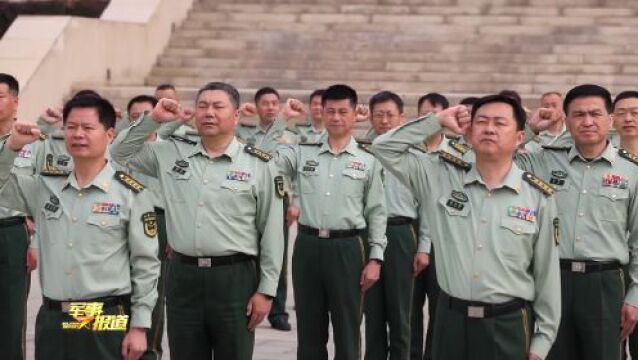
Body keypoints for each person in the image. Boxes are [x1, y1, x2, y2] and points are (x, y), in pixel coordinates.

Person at [371, 95, 561, 360]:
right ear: (469, 134)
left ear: (520, 137)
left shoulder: (539, 197)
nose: (490, 129)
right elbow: (383, 148)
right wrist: (436, 121)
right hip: (450, 321)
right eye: (481, 122)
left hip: (508, 324)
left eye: (499, 123)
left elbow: (547, 274)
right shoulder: (440, 176)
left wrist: (542, 342)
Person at [110, 81, 284, 359]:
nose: (209, 113)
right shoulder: (170, 153)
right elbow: (118, 152)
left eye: (218, 107)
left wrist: (267, 291)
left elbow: (272, 232)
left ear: (236, 115)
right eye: (202, 106)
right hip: (183, 276)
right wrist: (153, 120)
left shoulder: (260, 165)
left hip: (234, 278)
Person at [0, 94, 160, 360]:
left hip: (103, 317)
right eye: (71, 127)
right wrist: (11, 148)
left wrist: (139, 326)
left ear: (109, 135)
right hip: (53, 317)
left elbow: (146, 264)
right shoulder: (45, 186)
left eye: (88, 128)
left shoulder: (130, 193)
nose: (78, 134)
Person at [515, 84, 638, 360]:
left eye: (595, 114)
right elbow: (493, 160)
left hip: (605, 282)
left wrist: (635, 297)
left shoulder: (631, 171)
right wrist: (529, 129)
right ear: (566, 120)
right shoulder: (544, 159)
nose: (587, 121)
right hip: (553, 278)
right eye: (578, 115)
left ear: (610, 119)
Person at [273, 84, 387, 359]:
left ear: (354, 115)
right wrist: (281, 119)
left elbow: (377, 211)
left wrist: (375, 258)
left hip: (347, 248)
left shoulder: (368, 159)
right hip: (308, 247)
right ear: (321, 113)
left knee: (347, 330)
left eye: (343, 112)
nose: (336, 117)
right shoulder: (303, 152)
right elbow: (262, 157)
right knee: (309, 332)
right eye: (331, 111)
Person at [362, 91, 428, 360]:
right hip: (367, 235)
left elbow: (428, 206)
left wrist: (424, 246)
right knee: (372, 310)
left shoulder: (416, 156)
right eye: (379, 115)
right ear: (370, 117)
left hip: (401, 234)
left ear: (402, 118)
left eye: (390, 115)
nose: (385, 121)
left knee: (403, 311)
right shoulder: (361, 153)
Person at [0, 73, 36, 360]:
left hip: (12, 234)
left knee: (11, 319)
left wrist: (34, 242)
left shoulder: (35, 142)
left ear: (15, 102)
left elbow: (46, 197)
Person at [613, 90, 638, 359]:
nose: (629, 118)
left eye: (635, 113)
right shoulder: (606, 159)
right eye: (621, 112)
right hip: (617, 266)